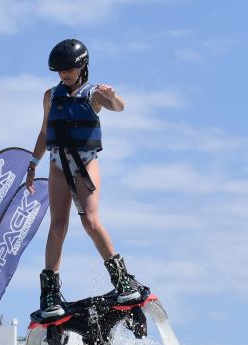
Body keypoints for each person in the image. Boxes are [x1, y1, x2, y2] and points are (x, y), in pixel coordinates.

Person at [26, 38, 150, 318]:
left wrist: (113, 95)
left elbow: (119, 107)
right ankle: (50, 294)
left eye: (68, 69)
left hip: (85, 162)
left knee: (90, 221)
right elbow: (46, 132)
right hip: (58, 162)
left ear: (82, 66)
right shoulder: (50, 96)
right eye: (59, 70)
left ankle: (122, 280)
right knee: (57, 224)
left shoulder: (94, 93)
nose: (63, 74)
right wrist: (33, 163)